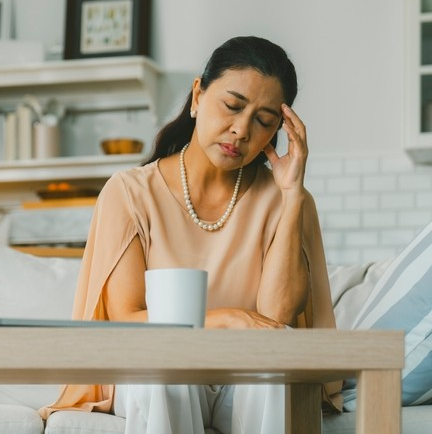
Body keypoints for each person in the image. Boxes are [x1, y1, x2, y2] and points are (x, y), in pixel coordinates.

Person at [40, 36, 342, 433]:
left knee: (275, 359)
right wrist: (227, 319)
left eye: (264, 121)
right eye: (233, 107)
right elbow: (126, 319)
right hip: (158, 373)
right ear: (198, 95)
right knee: (168, 360)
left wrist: (290, 196)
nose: (240, 130)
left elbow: (278, 317)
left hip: (241, 371)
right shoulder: (129, 192)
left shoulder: (287, 200)